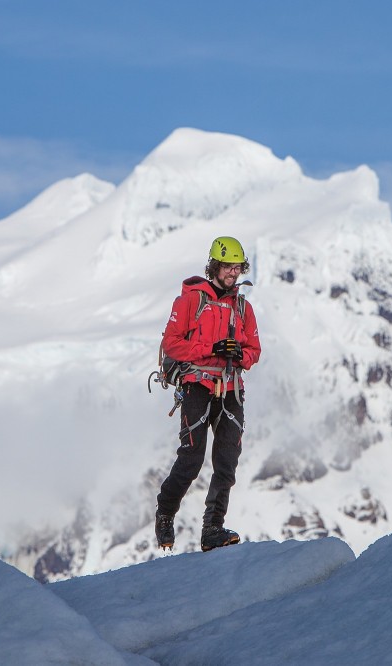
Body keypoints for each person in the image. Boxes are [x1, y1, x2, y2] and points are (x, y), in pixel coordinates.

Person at [155, 236, 261, 552]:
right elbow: (171, 344)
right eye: (228, 266)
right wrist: (210, 349)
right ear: (214, 265)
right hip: (197, 385)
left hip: (231, 388)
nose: (233, 272)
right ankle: (165, 512)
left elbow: (254, 350)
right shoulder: (189, 301)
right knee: (191, 457)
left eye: (238, 267)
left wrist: (238, 354)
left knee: (227, 461)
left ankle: (212, 528)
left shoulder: (243, 306)